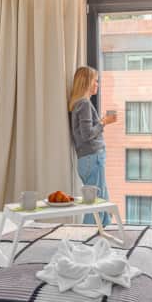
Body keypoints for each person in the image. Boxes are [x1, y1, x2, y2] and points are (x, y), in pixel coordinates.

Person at [68, 66, 117, 226]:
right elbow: (87, 134)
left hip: (88, 159)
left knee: (102, 201)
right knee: (95, 203)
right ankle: (86, 238)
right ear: (87, 83)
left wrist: (100, 121)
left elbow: (85, 131)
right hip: (92, 158)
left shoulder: (79, 105)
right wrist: (104, 122)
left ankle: (104, 235)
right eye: (95, 81)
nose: (97, 84)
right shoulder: (84, 105)